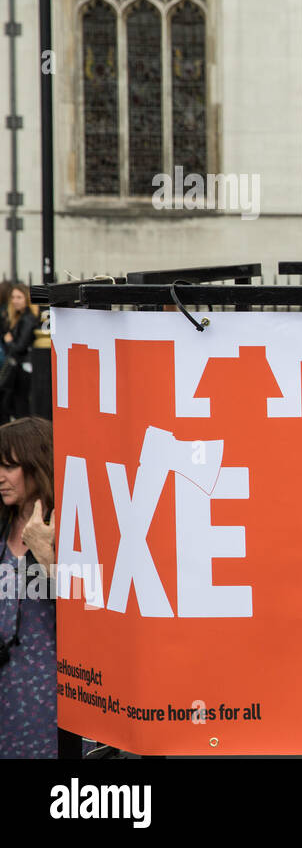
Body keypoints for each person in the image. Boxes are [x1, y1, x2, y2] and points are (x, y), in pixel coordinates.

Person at [0, 417, 58, 757]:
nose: (1, 477)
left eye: (9, 466)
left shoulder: (72, 523)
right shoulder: (3, 524)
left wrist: (44, 552)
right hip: (7, 694)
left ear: (37, 464)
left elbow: (92, 609)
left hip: (51, 698)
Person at [0, 284, 38, 421]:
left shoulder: (27, 319)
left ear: (26, 299)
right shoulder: (16, 317)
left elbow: (20, 346)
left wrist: (9, 341)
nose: (15, 300)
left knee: (19, 406)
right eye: (13, 297)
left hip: (22, 370)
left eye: (19, 297)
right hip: (18, 368)